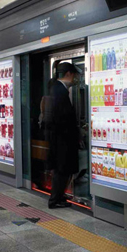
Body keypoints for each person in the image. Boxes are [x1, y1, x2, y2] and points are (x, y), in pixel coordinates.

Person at [46, 62, 80, 209]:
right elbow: (62, 117)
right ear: (68, 74)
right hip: (62, 139)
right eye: (74, 76)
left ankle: (59, 196)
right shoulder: (59, 91)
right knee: (61, 170)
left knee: (62, 169)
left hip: (59, 138)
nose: (75, 80)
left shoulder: (56, 89)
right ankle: (55, 200)